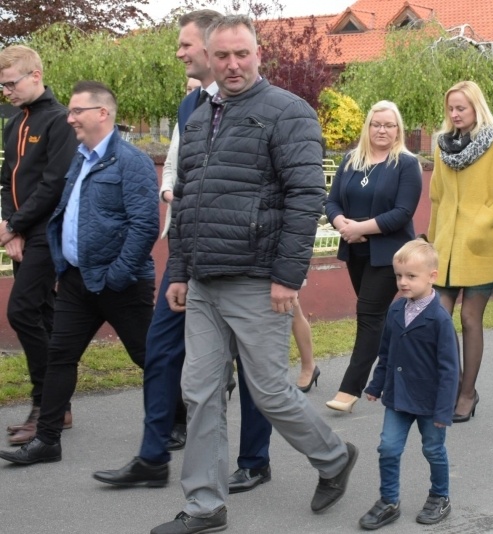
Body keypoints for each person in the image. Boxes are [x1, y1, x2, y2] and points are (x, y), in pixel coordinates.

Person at [151, 16, 357, 534]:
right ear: (209, 58)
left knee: (268, 391)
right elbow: (187, 199)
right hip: (203, 282)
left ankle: (333, 457)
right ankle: (205, 505)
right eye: (222, 56)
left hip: (258, 279)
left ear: (258, 54)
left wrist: (287, 275)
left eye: (242, 54)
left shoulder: (288, 112)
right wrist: (179, 270)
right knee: (200, 392)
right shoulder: (199, 116)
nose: (233, 64)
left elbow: (305, 197)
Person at [92, 10, 274, 495]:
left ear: (211, 49)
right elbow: (176, 165)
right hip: (188, 253)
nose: (179, 53)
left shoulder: (265, 105)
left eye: (186, 45)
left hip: (241, 257)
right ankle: (153, 455)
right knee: (161, 349)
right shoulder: (191, 104)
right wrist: (171, 192)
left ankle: (255, 460)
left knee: (252, 366)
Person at [0, 81, 160, 465]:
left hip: (120, 283)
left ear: (102, 113)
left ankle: (178, 417)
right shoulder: (80, 158)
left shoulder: (132, 161)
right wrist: (62, 260)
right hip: (76, 278)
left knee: (148, 356)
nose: (69, 118)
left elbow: (144, 226)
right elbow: (65, 212)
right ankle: (47, 440)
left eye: (76, 111)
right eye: (69, 111)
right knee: (60, 356)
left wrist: (117, 275)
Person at [0, 45, 78, 445]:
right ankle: (56, 409)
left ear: (35, 75)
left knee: (22, 311)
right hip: (23, 234)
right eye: (2, 86)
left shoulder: (59, 120)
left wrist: (16, 226)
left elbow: (53, 184)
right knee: (44, 315)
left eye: (11, 83)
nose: (6, 92)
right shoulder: (14, 122)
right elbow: (6, 180)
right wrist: (10, 226)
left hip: (48, 234)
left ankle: (43, 404)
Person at [324, 100, 422, 413]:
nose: (382, 130)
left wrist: (360, 228)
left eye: (389, 125)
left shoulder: (406, 164)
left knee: (368, 314)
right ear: (368, 127)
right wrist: (342, 224)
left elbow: (403, 212)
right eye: (376, 124)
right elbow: (332, 202)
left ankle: (349, 389)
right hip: (355, 251)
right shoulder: (351, 160)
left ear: (398, 130)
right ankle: (400, 367)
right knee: (376, 317)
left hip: (390, 254)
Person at [428, 80, 493, 423]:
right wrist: (431, 242)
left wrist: (481, 223)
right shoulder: (442, 146)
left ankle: (467, 393)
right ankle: (454, 384)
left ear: (476, 107)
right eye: (450, 108)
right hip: (446, 247)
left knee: (469, 318)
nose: (454, 114)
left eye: (461, 108)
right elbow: (437, 197)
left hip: (481, 246)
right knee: (438, 317)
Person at [358, 239, 459, 530]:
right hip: (398, 397)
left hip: (429, 402)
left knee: (433, 450)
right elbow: (386, 352)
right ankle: (389, 501)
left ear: (432, 276)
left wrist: (444, 410)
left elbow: (450, 370)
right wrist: (376, 385)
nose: (403, 282)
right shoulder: (395, 310)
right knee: (388, 448)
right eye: (399, 275)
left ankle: (440, 496)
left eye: (411, 276)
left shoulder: (439, 319)